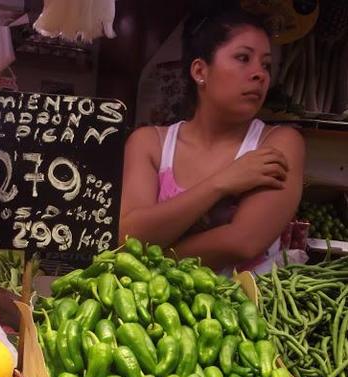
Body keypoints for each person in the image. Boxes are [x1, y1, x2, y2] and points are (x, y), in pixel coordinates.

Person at [119, 7, 305, 273]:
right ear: (199, 71)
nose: (260, 74)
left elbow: (242, 242)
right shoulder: (149, 143)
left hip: (244, 311)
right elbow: (128, 238)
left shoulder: (279, 143)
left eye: (266, 64)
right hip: (155, 310)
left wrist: (147, 260)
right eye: (243, 58)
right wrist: (222, 183)